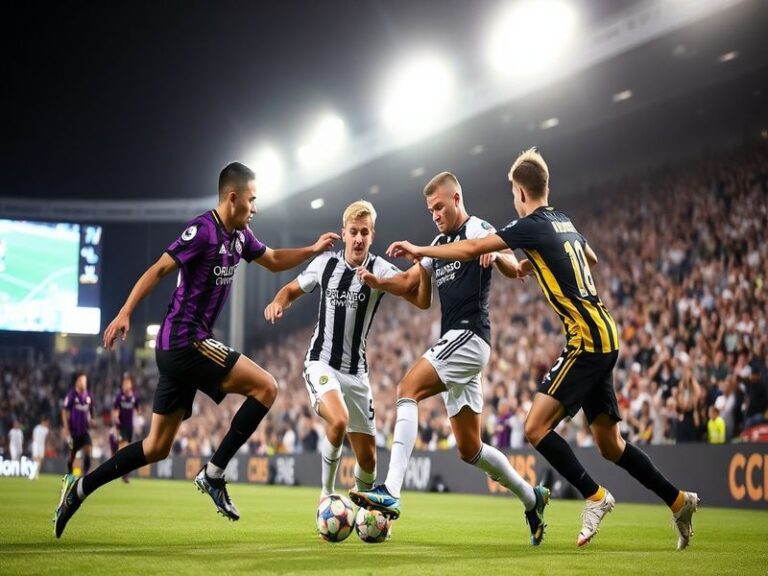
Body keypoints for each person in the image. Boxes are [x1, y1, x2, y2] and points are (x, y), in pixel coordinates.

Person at [383, 148, 699, 550]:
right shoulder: (563, 221)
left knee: (535, 427)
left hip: (584, 339)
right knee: (609, 443)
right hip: (606, 332)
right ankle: (678, 501)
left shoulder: (528, 225)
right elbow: (591, 256)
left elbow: (469, 249)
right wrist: (532, 260)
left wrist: (422, 249)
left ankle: (596, 497)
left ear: (519, 191)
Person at [54, 161, 339, 538]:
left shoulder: (240, 237)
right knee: (267, 387)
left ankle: (80, 489)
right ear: (232, 197)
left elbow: (272, 261)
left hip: (183, 349)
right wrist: (125, 312)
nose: (255, 208)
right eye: (252, 200)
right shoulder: (202, 231)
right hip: (185, 342)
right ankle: (214, 472)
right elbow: (158, 270)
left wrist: (313, 249)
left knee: (156, 447)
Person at [349, 172, 550, 546]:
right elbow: (411, 284)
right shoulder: (439, 243)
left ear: (456, 198)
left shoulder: (477, 228)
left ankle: (391, 489)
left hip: (471, 335)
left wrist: (505, 260)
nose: (435, 215)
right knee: (469, 449)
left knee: (407, 387)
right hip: (456, 343)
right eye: (430, 210)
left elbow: (506, 258)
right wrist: (380, 283)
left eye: (439, 207)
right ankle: (531, 497)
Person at [264, 200, 430, 502]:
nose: (358, 238)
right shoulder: (325, 263)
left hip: (357, 373)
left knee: (368, 461)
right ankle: (326, 497)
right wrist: (278, 303)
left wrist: (423, 263)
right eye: (353, 231)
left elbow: (419, 299)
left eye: (364, 232)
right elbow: (289, 290)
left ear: (372, 235)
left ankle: (366, 512)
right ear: (344, 233)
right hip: (321, 362)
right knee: (337, 420)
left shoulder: (380, 269)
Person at [62, 372, 93, 476]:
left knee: (88, 449)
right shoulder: (71, 395)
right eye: (81, 381)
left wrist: (92, 419)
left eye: (85, 381)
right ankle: (69, 470)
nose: (84, 383)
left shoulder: (88, 396)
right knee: (72, 454)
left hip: (85, 430)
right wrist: (66, 427)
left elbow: (91, 411)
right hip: (73, 431)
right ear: (76, 382)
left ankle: (85, 474)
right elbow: (64, 411)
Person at [111, 373, 140, 483]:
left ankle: (120, 470)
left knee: (126, 451)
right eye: (124, 383)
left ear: (131, 384)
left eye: (128, 383)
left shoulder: (134, 397)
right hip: (121, 427)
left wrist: (137, 422)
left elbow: (138, 410)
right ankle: (122, 473)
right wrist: (116, 421)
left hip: (130, 428)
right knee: (123, 449)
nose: (126, 385)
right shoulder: (119, 397)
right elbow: (114, 411)